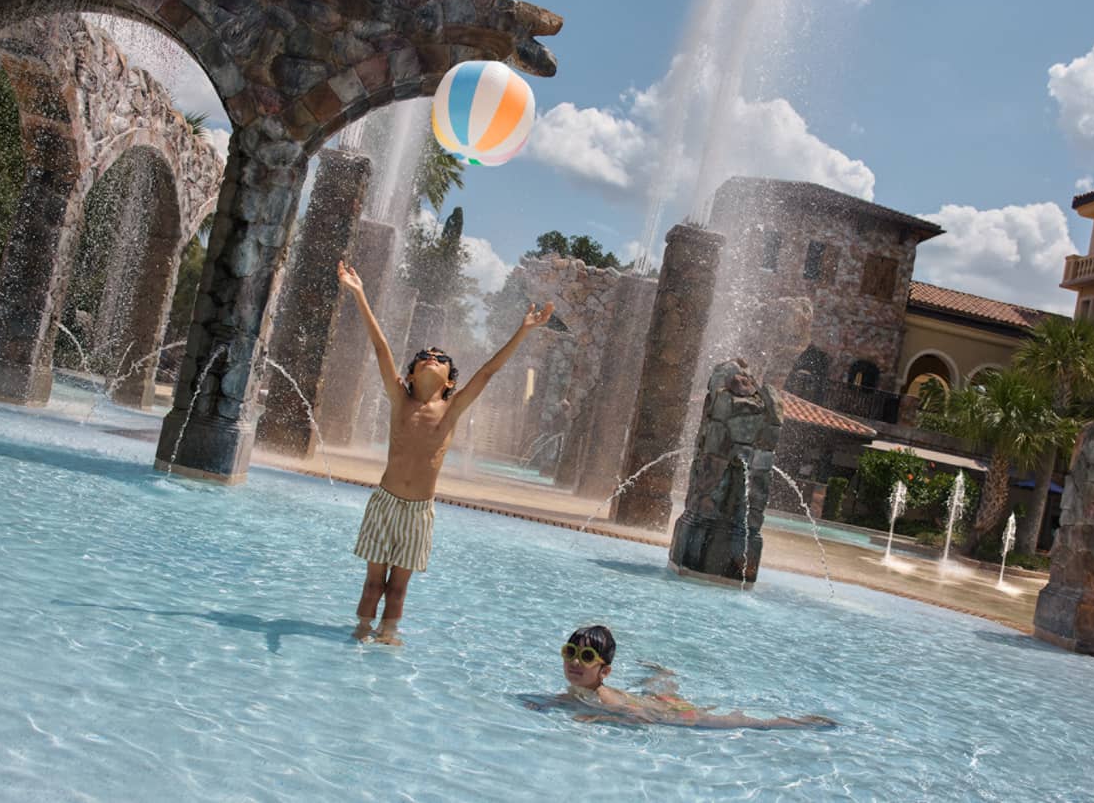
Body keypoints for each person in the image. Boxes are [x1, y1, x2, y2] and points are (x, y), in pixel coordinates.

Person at [337, 260, 553, 645]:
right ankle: (360, 632)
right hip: (385, 503)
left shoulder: (451, 410)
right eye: (424, 355)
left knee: (399, 590)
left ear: (451, 379)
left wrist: (523, 331)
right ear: (411, 374)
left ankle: (388, 635)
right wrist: (359, 293)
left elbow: (487, 372)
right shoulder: (400, 400)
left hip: (419, 511)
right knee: (373, 583)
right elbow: (380, 346)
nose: (431, 357)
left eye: (440, 358)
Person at [527, 625, 836, 729]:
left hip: (677, 715)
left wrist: (598, 719)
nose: (575, 662)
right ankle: (662, 674)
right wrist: (544, 704)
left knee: (739, 721)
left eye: (587, 657)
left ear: (605, 671)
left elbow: (638, 718)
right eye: (570, 652)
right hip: (656, 701)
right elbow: (568, 698)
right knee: (658, 688)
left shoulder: (604, 698)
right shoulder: (582, 690)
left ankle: (799, 723)